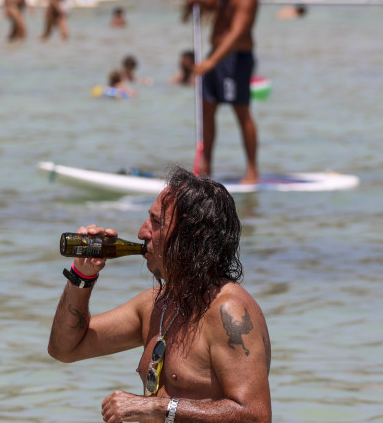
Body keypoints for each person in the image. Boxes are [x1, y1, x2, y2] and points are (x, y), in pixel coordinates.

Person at [48, 166, 272, 423]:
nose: (142, 233)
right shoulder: (155, 304)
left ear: (189, 240)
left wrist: (157, 408)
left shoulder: (228, 310)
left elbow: (256, 415)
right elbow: (64, 349)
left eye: (156, 223)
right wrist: (82, 276)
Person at [191, 0, 260, 184]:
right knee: (207, 108)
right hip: (217, 57)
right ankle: (205, 168)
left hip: (235, 59)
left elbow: (236, 33)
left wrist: (210, 61)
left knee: (241, 111)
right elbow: (213, 6)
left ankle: (252, 171)